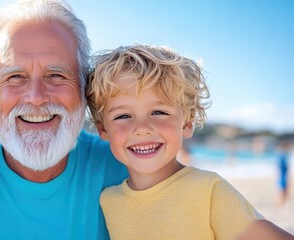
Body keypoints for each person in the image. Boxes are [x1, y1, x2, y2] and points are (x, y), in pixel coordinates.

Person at [0, 0, 127, 239]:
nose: (36, 98)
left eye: (56, 75)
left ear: (83, 86)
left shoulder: (126, 169)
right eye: (16, 76)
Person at [86, 44, 294, 239]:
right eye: (123, 116)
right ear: (103, 128)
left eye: (159, 112)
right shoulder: (108, 200)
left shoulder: (208, 191)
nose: (141, 128)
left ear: (187, 123)